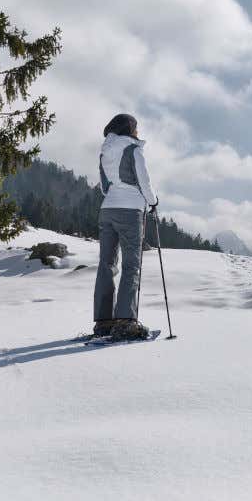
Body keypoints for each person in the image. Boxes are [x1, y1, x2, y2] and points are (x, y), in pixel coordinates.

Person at [93, 113, 157, 340]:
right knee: (131, 265)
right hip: (130, 210)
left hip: (107, 209)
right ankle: (125, 321)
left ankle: (103, 322)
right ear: (129, 129)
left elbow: (103, 187)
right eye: (135, 128)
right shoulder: (133, 149)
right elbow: (144, 181)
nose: (137, 132)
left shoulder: (105, 151)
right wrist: (152, 201)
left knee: (106, 265)